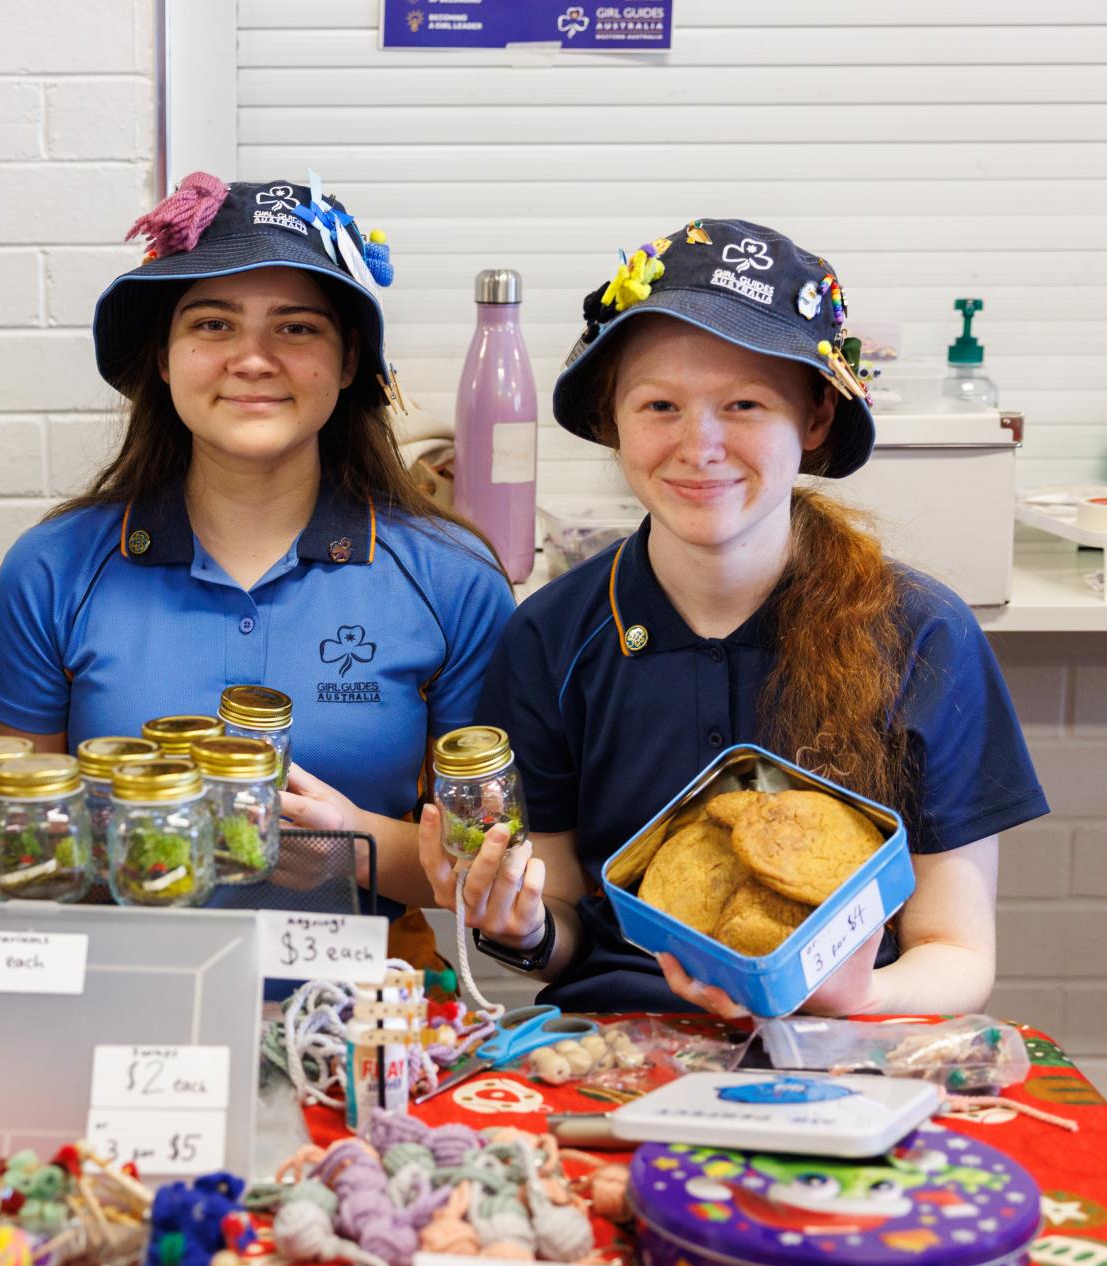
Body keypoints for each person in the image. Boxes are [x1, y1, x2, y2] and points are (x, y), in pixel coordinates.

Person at [418, 219, 1047, 1015]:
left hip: (846, 1054)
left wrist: (845, 997)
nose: (699, 444)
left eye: (743, 404)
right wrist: (519, 926)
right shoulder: (551, 637)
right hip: (616, 1041)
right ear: (611, 422)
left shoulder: (918, 633)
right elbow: (568, 933)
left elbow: (955, 953)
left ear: (814, 420)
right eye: (659, 406)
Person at [0, 174, 513, 936]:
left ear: (350, 360)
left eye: (295, 328)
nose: (252, 360)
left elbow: (495, 873)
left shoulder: (453, 578)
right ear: (163, 357)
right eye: (213, 326)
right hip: (115, 977)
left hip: (364, 992)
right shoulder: (52, 568)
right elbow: (14, 854)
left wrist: (354, 847)